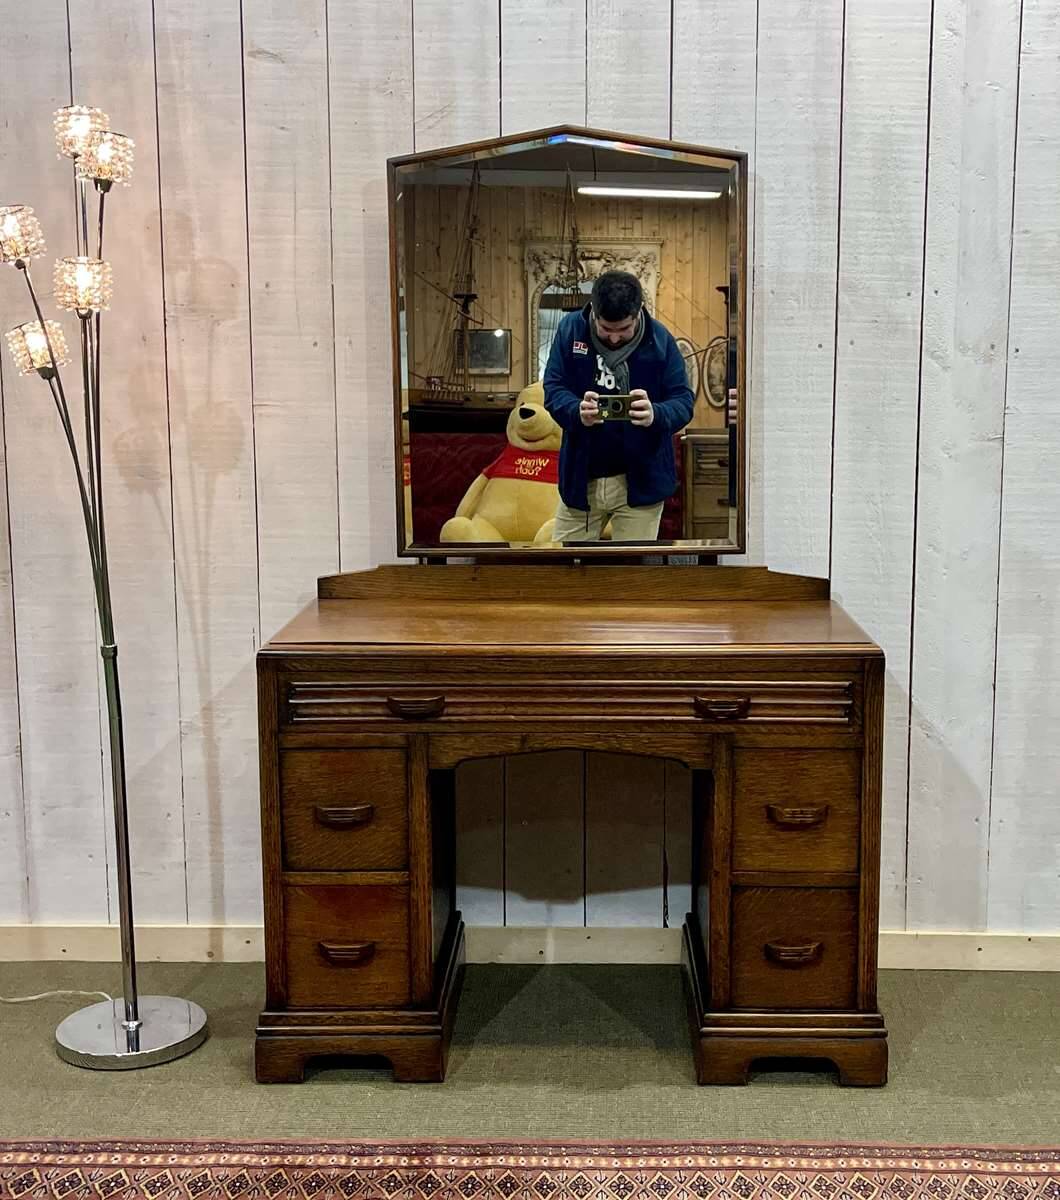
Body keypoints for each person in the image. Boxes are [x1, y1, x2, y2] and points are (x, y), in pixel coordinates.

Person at [542, 270, 694, 541]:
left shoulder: (661, 341)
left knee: (632, 577)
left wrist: (655, 414)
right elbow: (553, 389)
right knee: (566, 571)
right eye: (605, 329)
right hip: (581, 479)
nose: (613, 338)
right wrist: (576, 410)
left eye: (623, 329)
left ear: (639, 313)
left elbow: (683, 402)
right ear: (593, 311)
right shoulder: (569, 330)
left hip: (642, 482)